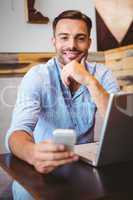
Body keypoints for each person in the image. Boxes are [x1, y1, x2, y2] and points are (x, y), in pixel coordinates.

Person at [6, 10, 119, 175]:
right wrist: (32, 153)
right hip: (42, 172)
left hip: (86, 172)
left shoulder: (102, 74)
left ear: (89, 42)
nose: (72, 45)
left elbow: (119, 128)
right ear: (54, 41)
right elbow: (18, 130)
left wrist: (89, 80)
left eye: (80, 38)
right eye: (64, 37)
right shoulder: (37, 76)